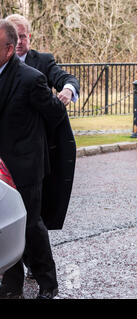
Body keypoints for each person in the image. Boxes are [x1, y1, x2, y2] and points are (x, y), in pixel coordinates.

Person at [0, 20, 67, 299]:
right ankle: (12, 285)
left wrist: (34, 142)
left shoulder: (30, 78)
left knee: (31, 225)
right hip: (1, 167)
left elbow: (55, 114)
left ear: (9, 48)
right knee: (6, 225)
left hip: (26, 167)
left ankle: (48, 282)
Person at [5, 14, 78, 232]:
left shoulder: (42, 62)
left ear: (29, 37)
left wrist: (68, 89)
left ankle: (36, 260)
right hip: (7, 146)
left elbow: (66, 79)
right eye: (15, 37)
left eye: (23, 37)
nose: (19, 42)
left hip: (35, 147)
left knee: (33, 213)